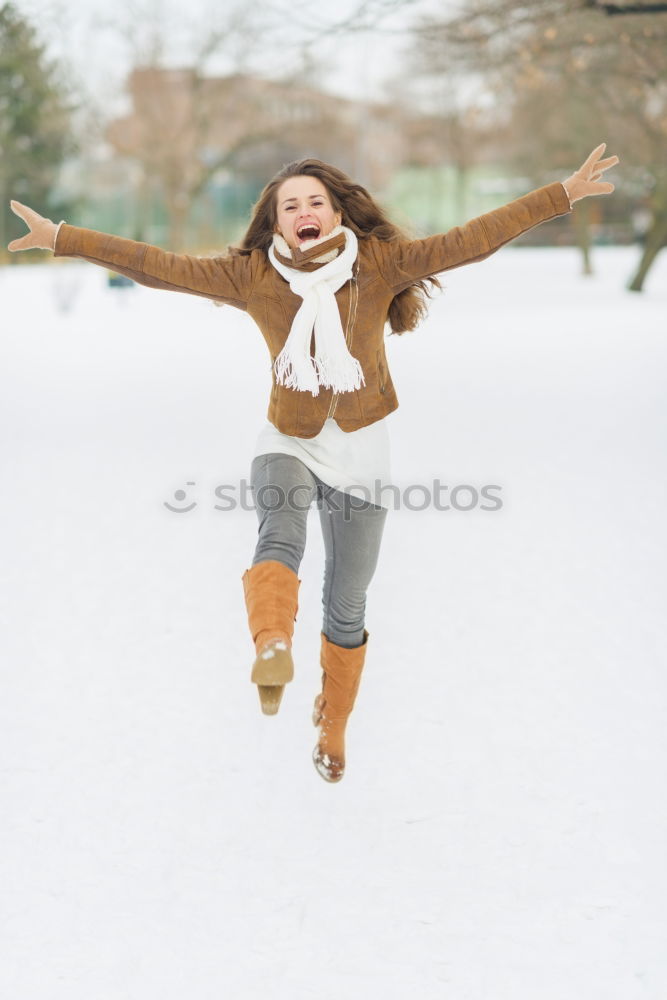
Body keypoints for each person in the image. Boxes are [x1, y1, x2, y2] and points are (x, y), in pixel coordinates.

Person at [8, 142, 619, 783]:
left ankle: (333, 720)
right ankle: (272, 645)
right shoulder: (253, 275)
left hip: (363, 449)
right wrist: (63, 237)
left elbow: (472, 239)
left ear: (337, 215)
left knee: (347, 602)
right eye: (289, 205)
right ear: (277, 223)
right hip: (288, 438)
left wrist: (563, 194)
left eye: (314, 202)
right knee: (280, 532)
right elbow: (160, 266)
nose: (303, 211)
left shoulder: (381, 264)